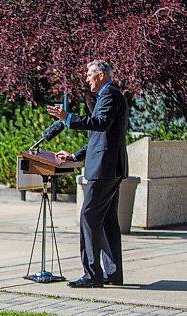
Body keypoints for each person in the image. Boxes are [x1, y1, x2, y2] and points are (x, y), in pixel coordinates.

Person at [47, 60, 128, 288]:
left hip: (104, 169)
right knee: (107, 221)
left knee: (89, 218)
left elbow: (99, 124)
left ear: (101, 75)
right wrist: (75, 156)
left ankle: (92, 275)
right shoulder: (108, 95)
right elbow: (99, 135)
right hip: (110, 167)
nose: (86, 78)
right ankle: (112, 273)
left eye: (89, 75)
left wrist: (68, 118)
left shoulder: (109, 94)